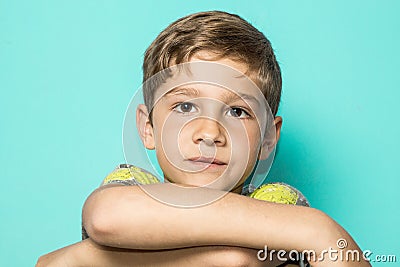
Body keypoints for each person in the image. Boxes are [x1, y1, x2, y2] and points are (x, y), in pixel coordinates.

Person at [36, 11, 371, 267]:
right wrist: (316, 231)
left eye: (238, 112)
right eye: (185, 106)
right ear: (148, 127)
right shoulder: (133, 183)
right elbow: (107, 216)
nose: (210, 133)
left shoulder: (276, 201)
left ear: (269, 137)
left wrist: (83, 258)